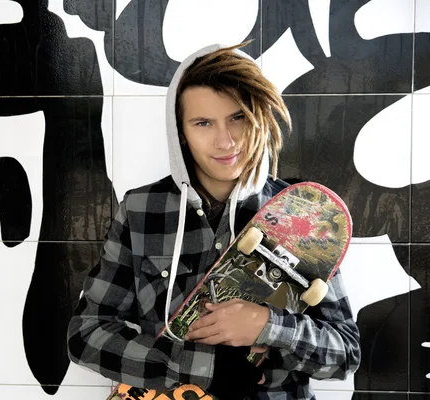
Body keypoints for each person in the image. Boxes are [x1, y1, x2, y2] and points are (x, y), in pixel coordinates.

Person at [67, 41, 361, 400]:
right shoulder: (142, 209)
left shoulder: (304, 217)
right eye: (203, 122)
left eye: (237, 117)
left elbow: (346, 353)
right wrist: (196, 369)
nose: (225, 141)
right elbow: (86, 334)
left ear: (258, 118)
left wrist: (268, 327)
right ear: (182, 135)